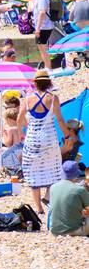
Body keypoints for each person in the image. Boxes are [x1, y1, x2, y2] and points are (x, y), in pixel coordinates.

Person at [20, 69, 68, 215]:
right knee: (53, 169)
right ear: (49, 83)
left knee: (33, 171)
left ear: (35, 83)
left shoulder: (27, 98)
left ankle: (39, 209)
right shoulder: (53, 98)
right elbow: (59, 119)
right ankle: (47, 197)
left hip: (32, 139)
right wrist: (67, 135)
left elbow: (19, 118)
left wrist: (24, 132)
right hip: (49, 138)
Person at [48, 161, 89, 236]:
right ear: (76, 174)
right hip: (75, 230)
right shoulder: (80, 190)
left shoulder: (53, 187)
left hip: (54, 230)